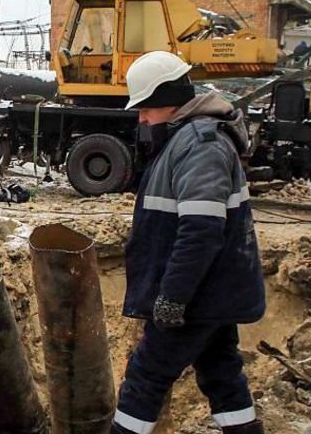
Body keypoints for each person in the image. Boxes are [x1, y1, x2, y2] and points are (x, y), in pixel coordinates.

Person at [112, 51, 265, 434]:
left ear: (168, 103)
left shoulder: (200, 145)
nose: (142, 119)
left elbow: (200, 230)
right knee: (222, 375)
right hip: (212, 292)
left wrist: (174, 297)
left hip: (196, 297)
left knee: (146, 377)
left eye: (146, 109)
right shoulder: (189, 139)